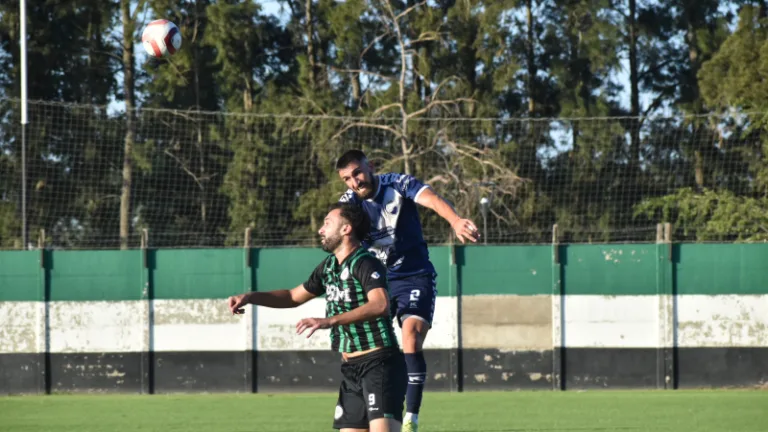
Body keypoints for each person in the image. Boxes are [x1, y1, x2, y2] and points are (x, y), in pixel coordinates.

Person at [227, 202, 407, 432]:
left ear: (346, 229)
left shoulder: (365, 263)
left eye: (327, 223)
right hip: (351, 369)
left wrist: (330, 321)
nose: (321, 230)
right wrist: (250, 297)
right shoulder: (328, 267)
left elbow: (380, 304)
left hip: (379, 364)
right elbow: (293, 296)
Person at [335, 149, 480, 432]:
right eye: (347, 179)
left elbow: (432, 199)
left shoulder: (398, 184)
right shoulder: (350, 203)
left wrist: (455, 221)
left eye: (358, 173)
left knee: (410, 335)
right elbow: (337, 230)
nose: (355, 182)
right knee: (356, 350)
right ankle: (365, 415)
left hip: (415, 276)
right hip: (378, 283)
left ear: (370, 167)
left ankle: (410, 418)